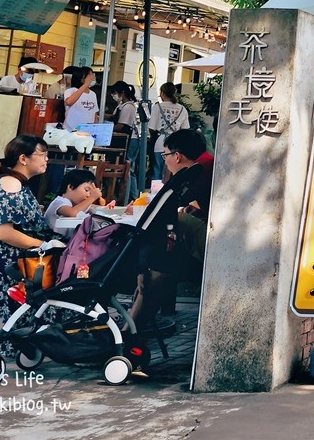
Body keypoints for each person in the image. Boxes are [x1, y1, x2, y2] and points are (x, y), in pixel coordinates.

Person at [0, 135, 57, 353]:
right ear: (23, 158)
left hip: (9, 261)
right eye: (42, 154)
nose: (46, 159)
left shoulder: (15, 183)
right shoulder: (10, 185)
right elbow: (4, 233)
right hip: (1, 264)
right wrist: (43, 244)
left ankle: (27, 348)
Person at [129, 129, 213, 328]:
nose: (164, 160)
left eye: (165, 155)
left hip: (212, 241)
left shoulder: (199, 168)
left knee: (174, 223)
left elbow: (178, 202)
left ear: (177, 156)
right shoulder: (204, 163)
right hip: (210, 229)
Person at [44, 169, 111, 237]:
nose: (88, 195)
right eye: (86, 190)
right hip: (52, 241)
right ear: (70, 187)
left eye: (91, 193)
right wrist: (92, 197)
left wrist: (105, 207)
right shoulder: (60, 202)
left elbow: (91, 207)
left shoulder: (76, 205)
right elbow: (72, 212)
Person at [149, 83, 189, 183]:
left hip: (160, 142)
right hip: (176, 144)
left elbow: (151, 127)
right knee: (173, 173)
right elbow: (185, 130)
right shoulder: (182, 109)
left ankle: (156, 194)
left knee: (156, 171)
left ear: (162, 93)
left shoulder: (157, 107)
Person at [108, 81, 141, 201]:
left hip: (130, 140)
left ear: (122, 92)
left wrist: (107, 128)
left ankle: (130, 197)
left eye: (115, 93)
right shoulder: (121, 105)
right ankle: (132, 196)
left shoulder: (129, 107)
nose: (114, 96)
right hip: (123, 140)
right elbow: (112, 117)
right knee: (128, 168)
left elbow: (121, 125)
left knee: (128, 168)